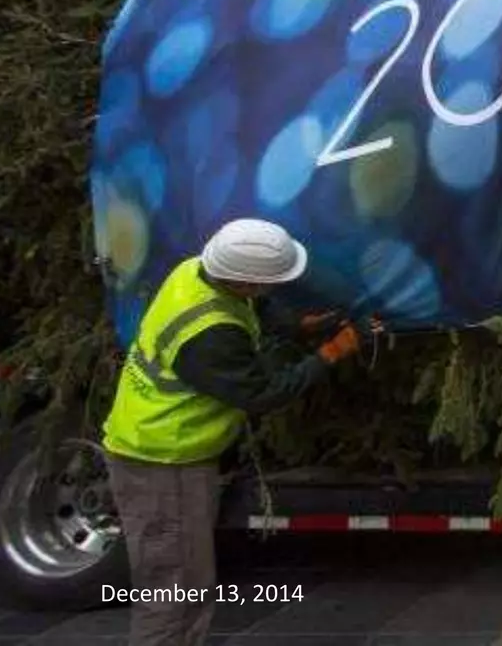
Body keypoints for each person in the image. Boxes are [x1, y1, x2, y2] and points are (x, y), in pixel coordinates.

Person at [100, 218, 363, 646]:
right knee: (172, 593)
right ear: (244, 280)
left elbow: (252, 309)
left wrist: (299, 327)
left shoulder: (193, 272)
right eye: (269, 283)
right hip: (163, 464)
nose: (272, 290)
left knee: (188, 584)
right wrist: (331, 353)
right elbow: (264, 393)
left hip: (158, 454)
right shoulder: (210, 334)